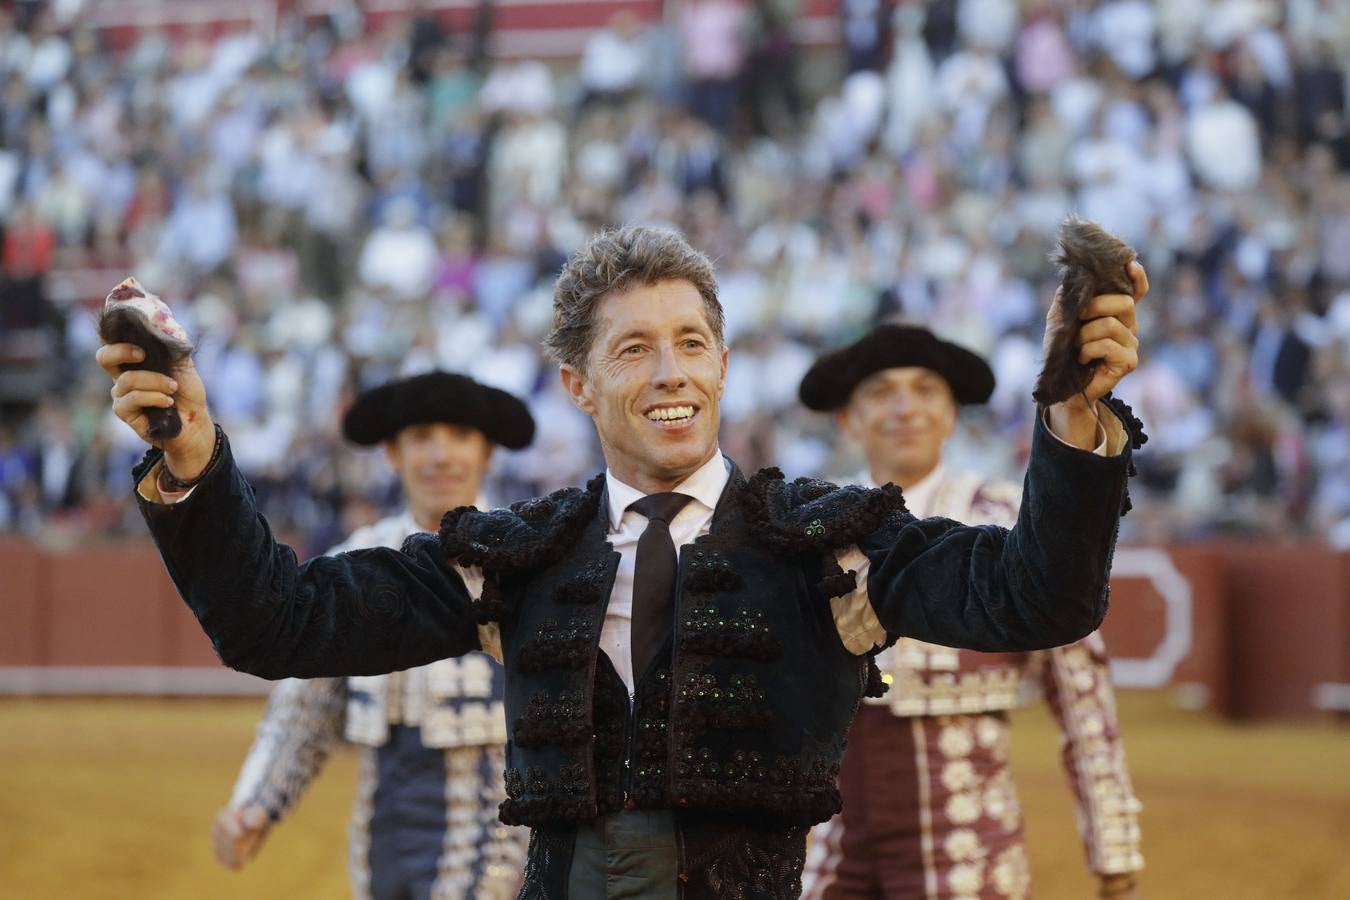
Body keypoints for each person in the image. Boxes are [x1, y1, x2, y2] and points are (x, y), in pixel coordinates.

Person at [99, 224, 1147, 898]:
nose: (671, 372)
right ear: (578, 384)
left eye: (692, 342)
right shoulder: (519, 554)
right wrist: (195, 457)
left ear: (726, 363)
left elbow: (1036, 596)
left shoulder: (829, 542)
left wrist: (1070, 420)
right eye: (634, 349)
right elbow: (281, 624)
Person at [796, 325, 1143, 900]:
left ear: (952, 414)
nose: (905, 409)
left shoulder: (1010, 515)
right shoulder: (812, 528)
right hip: (834, 844)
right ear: (848, 420)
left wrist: (1115, 848)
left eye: (926, 390)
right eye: (882, 392)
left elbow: (1081, 694)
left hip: (971, 847)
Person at [210, 371, 535, 899]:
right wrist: (256, 804)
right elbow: (307, 708)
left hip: (499, 825)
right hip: (380, 825)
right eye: (422, 437)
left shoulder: (525, 557)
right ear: (393, 454)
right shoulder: (361, 557)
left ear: (488, 453)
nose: (440, 456)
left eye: (459, 436)